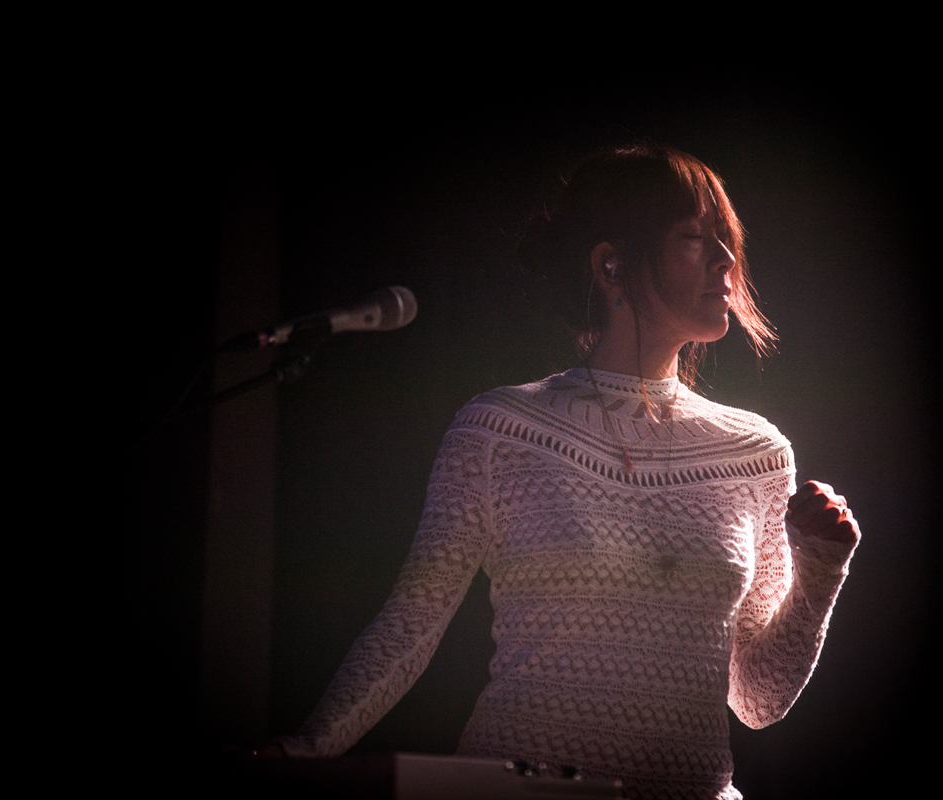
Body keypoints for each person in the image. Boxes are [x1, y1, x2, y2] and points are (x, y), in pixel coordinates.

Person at [272, 144, 860, 800]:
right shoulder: (498, 430)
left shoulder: (758, 452)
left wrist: (820, 573)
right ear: (611, 265)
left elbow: (756, 699)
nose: (727, 260)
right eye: (695, 237)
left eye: (728, 238)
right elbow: (413, 618)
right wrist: (306, 747)